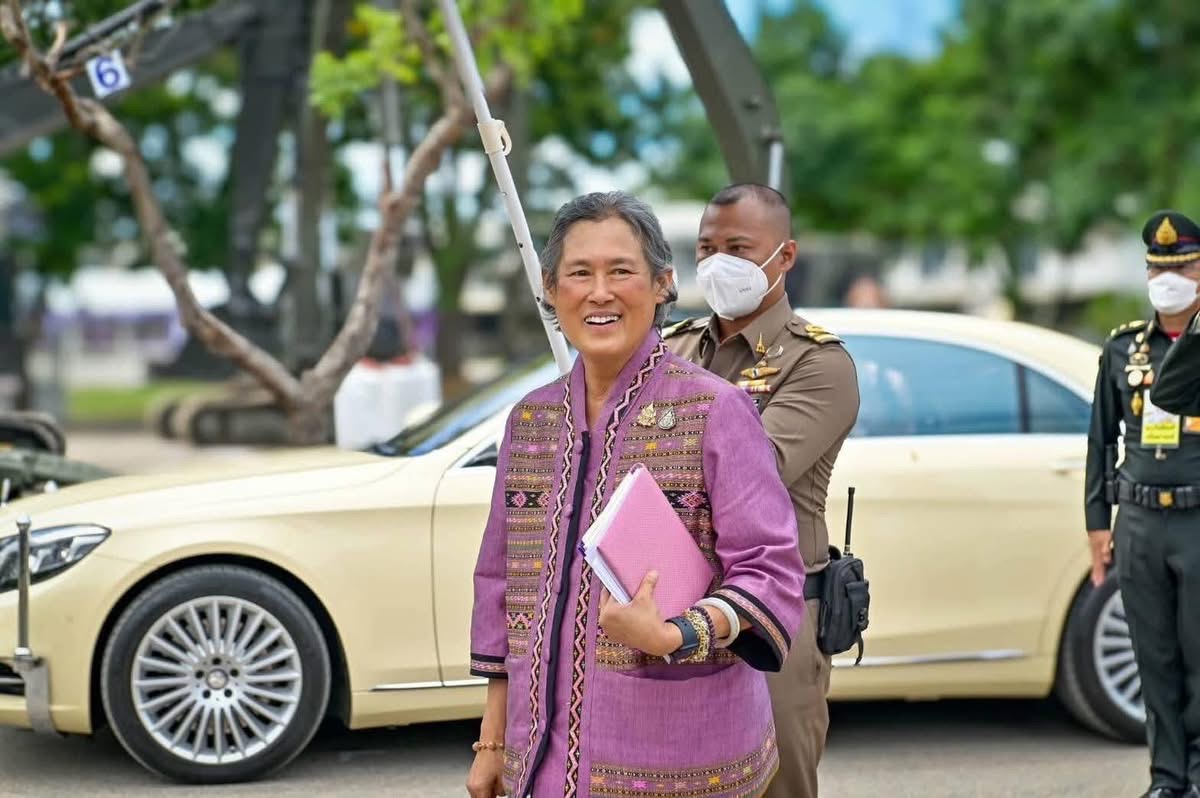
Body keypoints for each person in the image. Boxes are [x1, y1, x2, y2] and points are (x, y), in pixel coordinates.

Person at [466, 191, 806, 798]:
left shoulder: (715, 409)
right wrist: (493, 743)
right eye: (579, 273)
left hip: (680, 759)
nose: (599, 292)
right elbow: (501, 584)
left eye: (621, 271)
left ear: (661, 284)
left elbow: (770, 570)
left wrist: (674, 633)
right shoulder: (531, 422)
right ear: (550, 289)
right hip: (537, 758)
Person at [664, 183, 860, 798]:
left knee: (776, 783)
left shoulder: (818, 364)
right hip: (674, 612)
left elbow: (751, 474)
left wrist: (660, 446)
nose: (718, 262)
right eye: (707, 248)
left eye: (739, 248)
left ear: (785, 255)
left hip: (774, 617)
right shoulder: (673, 348)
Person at [1086, 210, 1200, 798]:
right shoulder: (1123, 348)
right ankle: (1166, 778)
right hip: (1139, 519)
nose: (1168, 279)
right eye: (1158, 268)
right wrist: (1096, 524)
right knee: (1153, 656)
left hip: (1197, 518)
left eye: (1182, 267)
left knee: (1198, 657)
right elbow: (1100, 440)